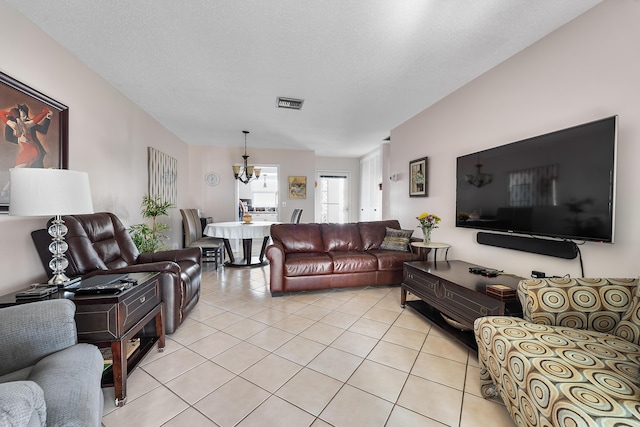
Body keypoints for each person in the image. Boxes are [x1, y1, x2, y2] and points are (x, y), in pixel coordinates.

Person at [0, 104, 53, 199]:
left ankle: (5, 193)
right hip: (33, 152)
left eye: (24, 112)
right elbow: (8, 137)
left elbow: (43, 129)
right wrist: (44, 113)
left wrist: (47, 117)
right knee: (21, 175)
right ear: (19, 114)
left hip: (31, 153)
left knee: (17, 174)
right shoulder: (26, 124)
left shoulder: (16, 125)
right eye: (21, 112)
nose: (23, 115)